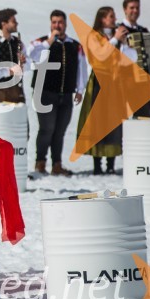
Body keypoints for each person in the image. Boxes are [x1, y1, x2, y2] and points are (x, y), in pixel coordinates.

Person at [27, 10, 87, 176]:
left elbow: (81, 68)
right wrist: (49, 42)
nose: (57, 25)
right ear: (50, 24)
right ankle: (40, 162)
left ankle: (57, 164)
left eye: (60, 22)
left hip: (66, 93)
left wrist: (80, 89)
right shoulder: (40, 42)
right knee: (47, 128)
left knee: (60, 130)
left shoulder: (75, 45)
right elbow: (32, 55)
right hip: (45, 92)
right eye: (54, 22)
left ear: (65, 24)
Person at [76, 7, 127, 175]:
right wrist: (115, 40)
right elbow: (100, 55)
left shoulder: (118, 36)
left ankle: (111, 162)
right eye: (111, 16)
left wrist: (122, 42)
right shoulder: (94, 36)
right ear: (102, 19)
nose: (114, 19)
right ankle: (97, 164)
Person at [0, 8, 27, 104]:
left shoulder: (17, 42)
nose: (17, 23)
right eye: (13, 21)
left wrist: (23, 62)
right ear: (3, 24)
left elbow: (27, 62)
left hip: (16, 89)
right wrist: (9, 72)